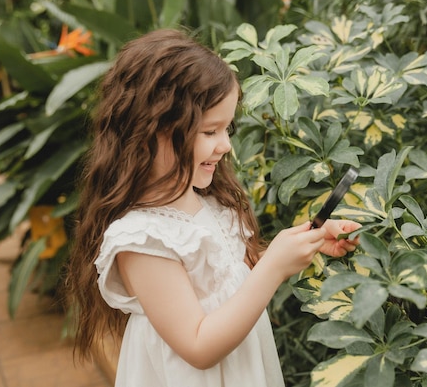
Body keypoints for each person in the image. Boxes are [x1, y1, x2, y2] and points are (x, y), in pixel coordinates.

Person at [67, 28, 361, 387]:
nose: (225, 145)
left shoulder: (205, 201)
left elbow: (227, 279)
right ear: (152, 130)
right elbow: (198, 345)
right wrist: (272, 268)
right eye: (210, 132)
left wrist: (303, 242)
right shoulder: (142, 240)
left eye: (228, 129)